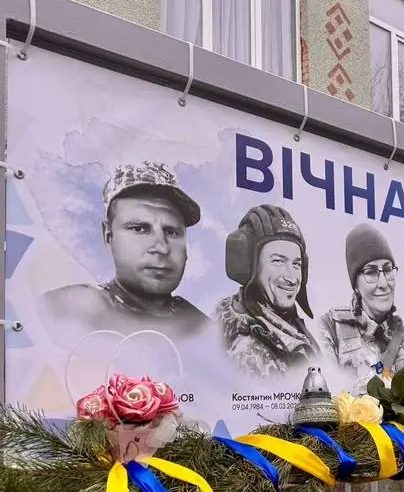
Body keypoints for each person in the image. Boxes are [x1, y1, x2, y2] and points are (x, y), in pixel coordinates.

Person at [42, 161, 210, 343]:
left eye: (171, 232)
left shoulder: (204, 328)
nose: (162, 247)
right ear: (108, 236)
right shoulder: (66, 311)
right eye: (140, 229)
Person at [217, 205, 320, 377]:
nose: (292, 278)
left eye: (296, 264)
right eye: (278, 261)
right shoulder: (249, 353)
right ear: (250, 265)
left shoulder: (291, 329)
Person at [319, 223, 404, 392]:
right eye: (371, 272)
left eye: (388, 270)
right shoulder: (330, 329)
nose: (383, 283)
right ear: (356, 285)